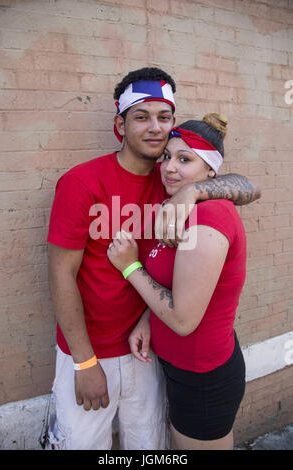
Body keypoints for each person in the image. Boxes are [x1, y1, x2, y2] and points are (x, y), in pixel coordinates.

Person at [46, 67, 260, 450]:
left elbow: (249, 186)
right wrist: (84, 361)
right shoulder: (81, 181)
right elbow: (61, 274)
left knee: (149, 448)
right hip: (92, 353)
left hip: (146, 353)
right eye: (141, 116)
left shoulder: (173, 181)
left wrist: (194, 193)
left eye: (164, 117)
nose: (155, 127)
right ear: (120, 123)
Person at [107, 113, 247, 451]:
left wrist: (129, 267)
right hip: (182, 368)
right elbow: (178, 284)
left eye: (185, 159)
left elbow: (183, 319)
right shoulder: (181, 209)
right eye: (167, 156)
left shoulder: (209, 216)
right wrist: (148, 319)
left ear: (211, 172)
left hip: (202, 377)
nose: (169, 167)